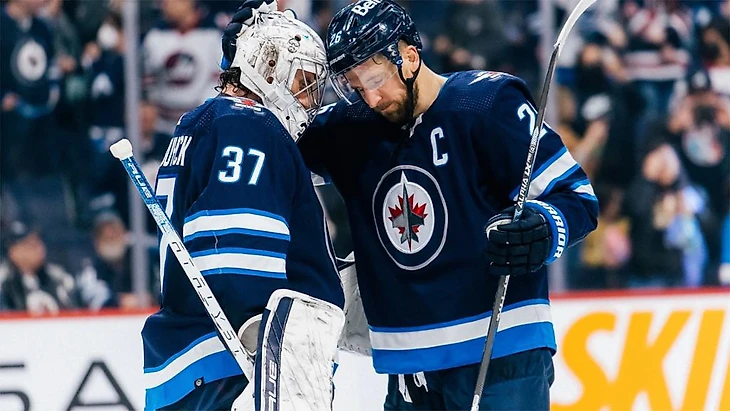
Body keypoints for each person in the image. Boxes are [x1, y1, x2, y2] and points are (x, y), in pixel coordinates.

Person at [228, 0, 599, 409]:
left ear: (408, 56)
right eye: (356, 87)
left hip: (502, 350)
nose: (370, 98)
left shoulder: (489, 104)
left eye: (375, 80)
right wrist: (242, 66)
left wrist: (542, 228)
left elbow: (576, 197)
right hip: (410, 368)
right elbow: (266, 142)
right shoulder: (350, 130)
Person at [140, 11, 344, 411]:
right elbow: (235, 257)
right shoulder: (249, 124)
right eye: (302, 83)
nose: (308, 101)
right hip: (239, 368)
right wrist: (261, 334)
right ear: (268, 67)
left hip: (191, 363)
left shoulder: (201, 121)